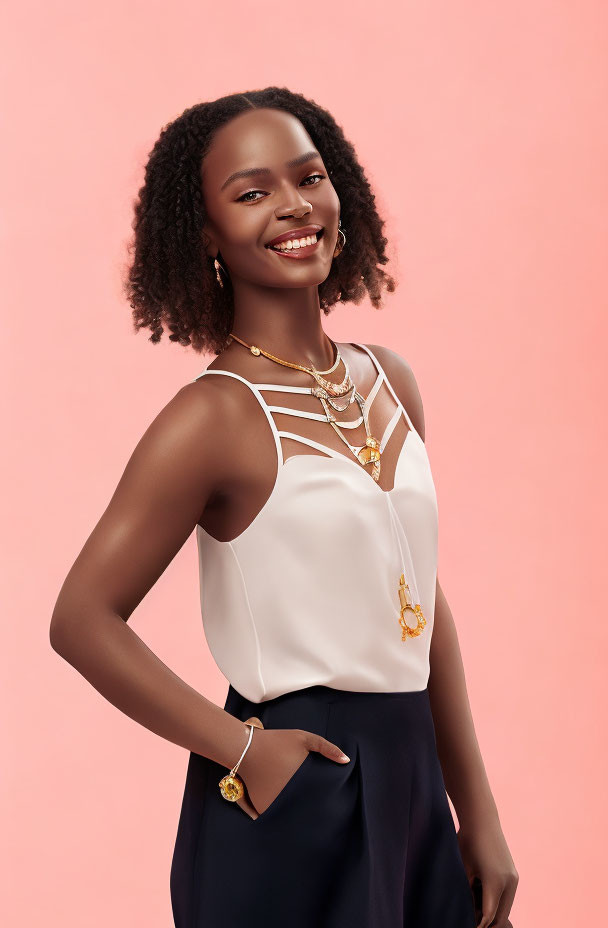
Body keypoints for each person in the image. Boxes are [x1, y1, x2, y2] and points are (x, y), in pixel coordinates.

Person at [49, 87, 518, 927]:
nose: (295, 206)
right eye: (253, 192)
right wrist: (244, 752)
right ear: (207, 236)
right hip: (297, 781)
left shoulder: (390, 380)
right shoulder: (213, 417)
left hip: (414, 778)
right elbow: (82, 617)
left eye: (310, 177)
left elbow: (419, 595)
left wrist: (474, 809)